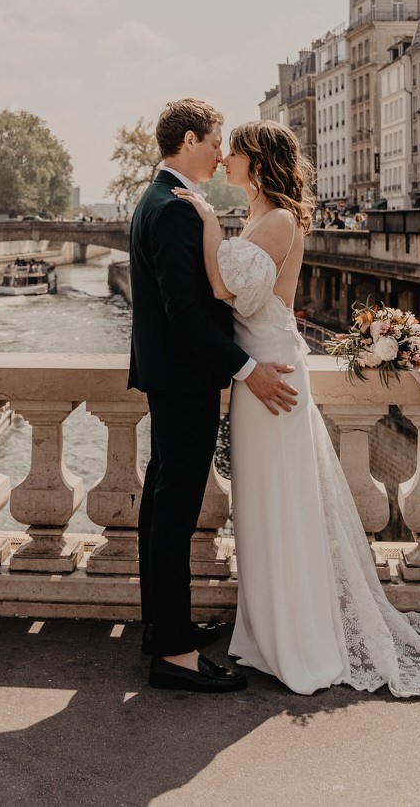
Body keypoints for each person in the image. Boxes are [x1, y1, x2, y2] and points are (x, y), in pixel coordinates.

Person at [174, 120, 420, 697]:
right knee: (263, 503)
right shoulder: (261, 217)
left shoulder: (280, 220)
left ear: (258, 162)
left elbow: (226, 292)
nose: (224, 162)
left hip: (271, 373)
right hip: (258, 370)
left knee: (282, 501)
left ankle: (298, 639)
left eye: (233, 153)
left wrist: (208, 223)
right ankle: (269, 632)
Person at [128, 98, 299, 696]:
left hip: (170, 376)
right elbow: (184, 314)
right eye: (215, 142)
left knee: (160, 504)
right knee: (174, 512)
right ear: (191, 139)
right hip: (186, 377)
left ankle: (163, 628)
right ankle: (174, 654)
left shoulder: (159, 200)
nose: (221, 154)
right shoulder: (175, 209)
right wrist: (247, 368)